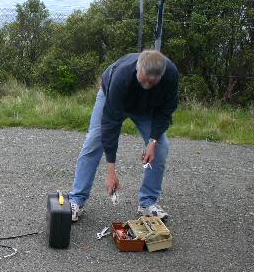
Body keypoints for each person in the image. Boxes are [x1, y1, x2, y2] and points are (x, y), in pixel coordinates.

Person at [69, 50, 179, 222]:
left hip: (146, 109)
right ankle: (76, 200)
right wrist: (111, 171)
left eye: (153, 82)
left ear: (162, 75)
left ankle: (147, 203)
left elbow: (165, 112)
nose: (148, 84)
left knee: (162, 147)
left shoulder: (171, 76)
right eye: (145, 79)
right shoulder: (122, 76)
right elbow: (110, 124)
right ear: (138, 67)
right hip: (113, 99)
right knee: (93, 143)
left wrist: (153, 140)